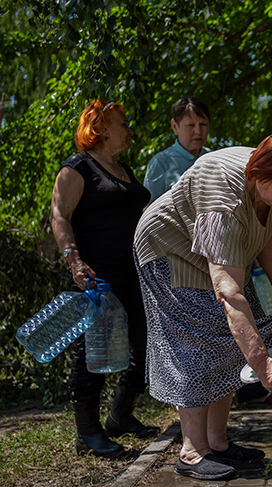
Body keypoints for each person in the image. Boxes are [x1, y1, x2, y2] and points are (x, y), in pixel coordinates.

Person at [133, 131, 272, 481]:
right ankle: (191, 451)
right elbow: (229, 293)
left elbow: (265, 234)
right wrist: (261, 363)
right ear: (259, 174)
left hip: (220, 259)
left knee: (233, 343)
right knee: (198, 344)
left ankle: (216, 442)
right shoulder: (223, 199)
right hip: (169, 251)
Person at [49, 99, 159, 459]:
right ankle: (88, 433)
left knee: (144, 349)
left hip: (135, 274)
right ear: (101, 127)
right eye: (123, 123)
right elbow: (59, 216)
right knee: (91, 356)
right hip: (96, 279)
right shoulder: (77, 167)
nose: (130, 129)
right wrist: (74, 260)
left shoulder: (123, 169)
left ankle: (120, 416)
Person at [143, 96, 210, 200]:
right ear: (174, 126)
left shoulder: (214, 158)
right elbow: (149, 210)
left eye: (203, 124)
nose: (198, 131)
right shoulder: (160, 163)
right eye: (190, 125)